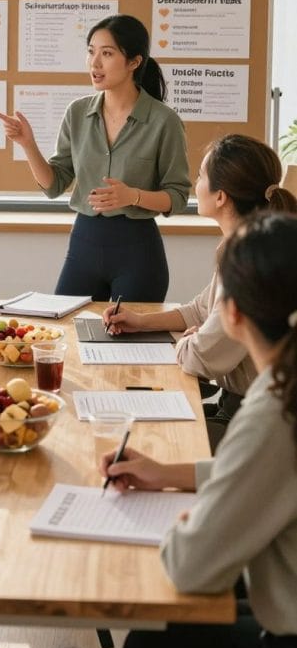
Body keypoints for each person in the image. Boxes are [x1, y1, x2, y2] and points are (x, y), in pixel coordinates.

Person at [88, 210, 297, 648]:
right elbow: (267, 476)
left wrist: (185, 518)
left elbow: (189, 566)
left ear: (232, 315)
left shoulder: (276, 408)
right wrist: (167, 474)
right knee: (150, 641)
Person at [103, 134, 297, 447]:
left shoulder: (249, 260)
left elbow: (201, 358)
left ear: (221, 196)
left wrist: (190, 341)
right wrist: (140, 321)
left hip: (249, 422)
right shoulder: (243, 246)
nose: (196, 183)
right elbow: (200, 310)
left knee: (141, 435)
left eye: (201, 176)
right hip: (236, 407)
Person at [0, 15, 190, 302]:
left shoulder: (164, 121)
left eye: (107, 53)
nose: (94, 63)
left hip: (137, 249)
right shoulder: (77, 113)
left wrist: (132, 196)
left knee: (131, 341)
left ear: (134, 62)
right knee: (66, 330)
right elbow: (53, 185)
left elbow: (177, 196)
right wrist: (28, 144)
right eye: (91, 51)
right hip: (84, 242)